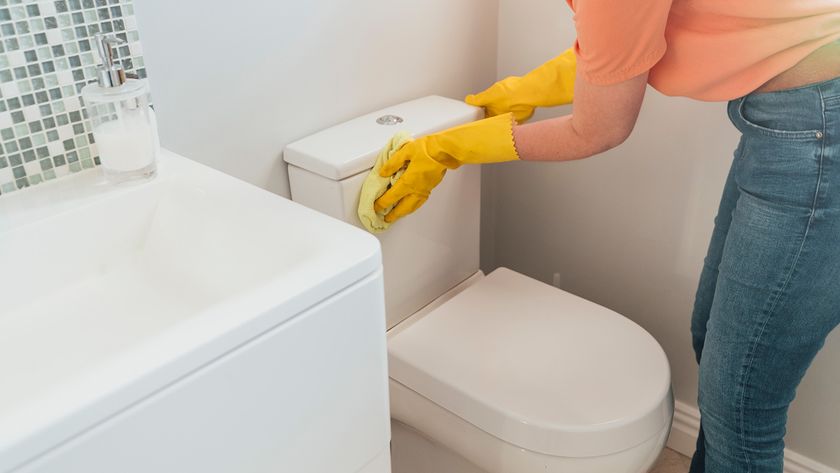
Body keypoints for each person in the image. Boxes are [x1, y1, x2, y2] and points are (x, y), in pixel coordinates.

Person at [374, 1, 840, 472]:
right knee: (718, 355)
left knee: (741, 407)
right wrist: (525, 90)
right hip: (792, 123)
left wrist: (453, 148)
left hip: (817, 127)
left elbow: (598, 128)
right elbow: (633, 42)